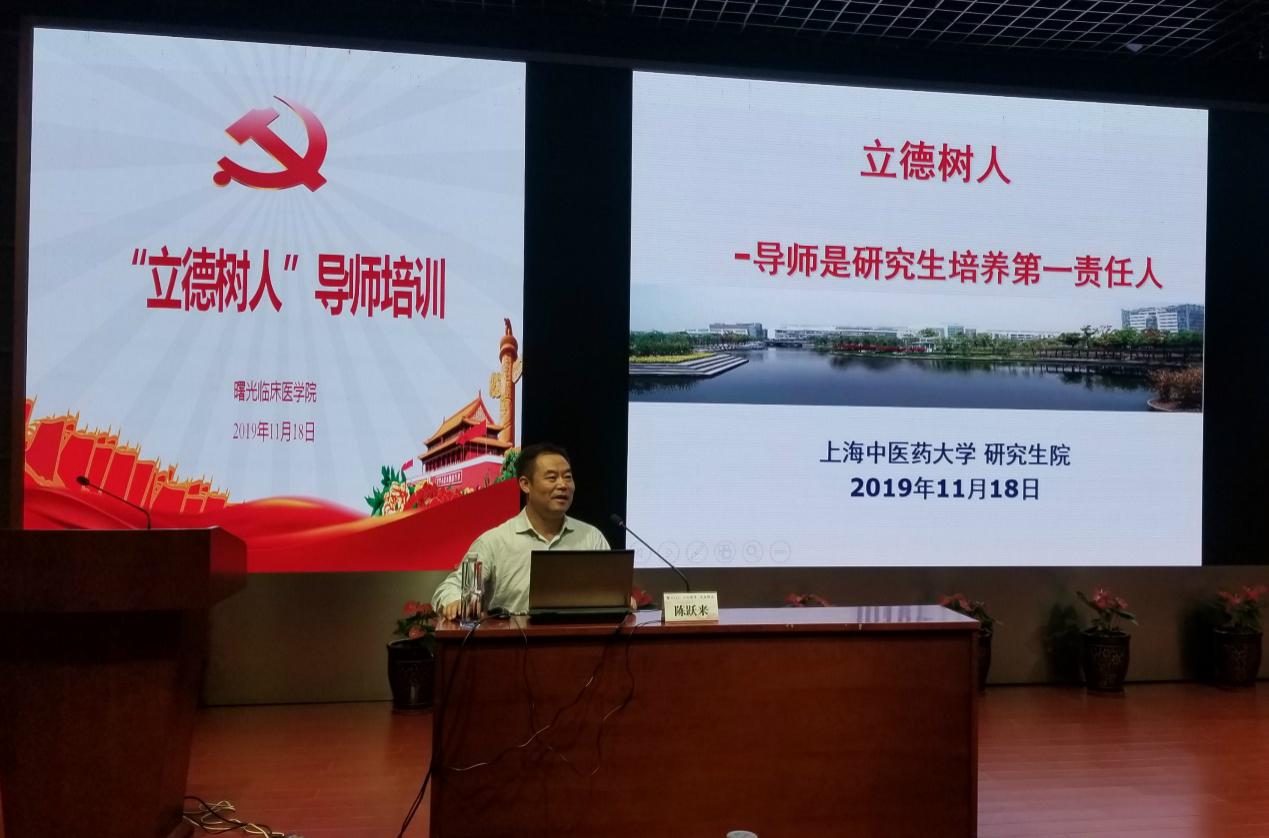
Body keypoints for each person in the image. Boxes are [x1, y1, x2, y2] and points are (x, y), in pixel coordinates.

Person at [432, 443, 611, 619]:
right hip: (512, 638)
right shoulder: (494, 542)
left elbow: (612, 593)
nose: (563, 485)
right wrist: (455, 601)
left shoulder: (591, 538)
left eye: (568, 477)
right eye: (552, 478)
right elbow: (451, 588)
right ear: (525, 484)